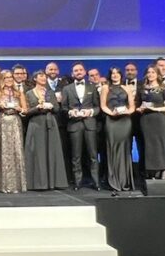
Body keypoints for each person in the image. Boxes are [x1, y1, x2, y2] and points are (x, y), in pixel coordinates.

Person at [24, 70, 67, 191]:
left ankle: (53, 182)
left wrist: (51, 106)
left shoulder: (50, 92)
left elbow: (57, 109)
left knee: (51, 151)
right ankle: (38, 183)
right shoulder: (29, 93)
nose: (43, 78)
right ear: (35, 78)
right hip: (36, 124)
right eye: (41, 76)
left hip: (50, 124)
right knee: (38, 153)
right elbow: (26, 111)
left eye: (44, 76)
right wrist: (37, 108)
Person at [62, 62, 101, 190]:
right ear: (73, 73)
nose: (78, 72)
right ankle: (77, 182)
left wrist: (91, 112)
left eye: (80, 70)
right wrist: (70, 112)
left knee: (93, 155)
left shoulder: (92, 87)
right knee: (76, 156)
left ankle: (96, 182)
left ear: (85, 72)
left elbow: (98, 107)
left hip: (90, 124)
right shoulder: (67, 89)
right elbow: (63, 108)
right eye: (76, 70)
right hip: (74, 125)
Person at [0, 70, 27, 193]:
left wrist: (19, 108)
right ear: (2, 80)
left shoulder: (19, 93)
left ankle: (16, 185)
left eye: (11, 77)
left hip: (15, 122)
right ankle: (1, 185)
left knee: (16, 151)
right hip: (1, 123)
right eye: (6, 78)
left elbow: (25, 110)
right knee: (2, 152)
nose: (9, 79)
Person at [100, 66, 136, 193]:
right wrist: (112, 113)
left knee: (124, 148)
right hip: (111, 120)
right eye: (112, 73)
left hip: (125, 121)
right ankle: (113, 181)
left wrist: (127, 112)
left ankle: (124, 180)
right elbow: (103, 105)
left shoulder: (127, 88)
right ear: (110, 76)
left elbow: (132, 106)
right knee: (112, 148)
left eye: (117, 73)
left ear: (121, 75)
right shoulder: (105, 88)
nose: (115, 75)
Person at [137, 65, 165, 180]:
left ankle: (163, 173)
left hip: (159, 119)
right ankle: (151, 174)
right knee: (149, 147)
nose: (150, 74)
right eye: (148, 72)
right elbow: (138, 104)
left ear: (157, 74)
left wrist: (155, 109)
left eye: (153, 72)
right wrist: (139, 108)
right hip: (146, 120)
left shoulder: (163, 88)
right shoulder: (141, 88)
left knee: (160, 146)